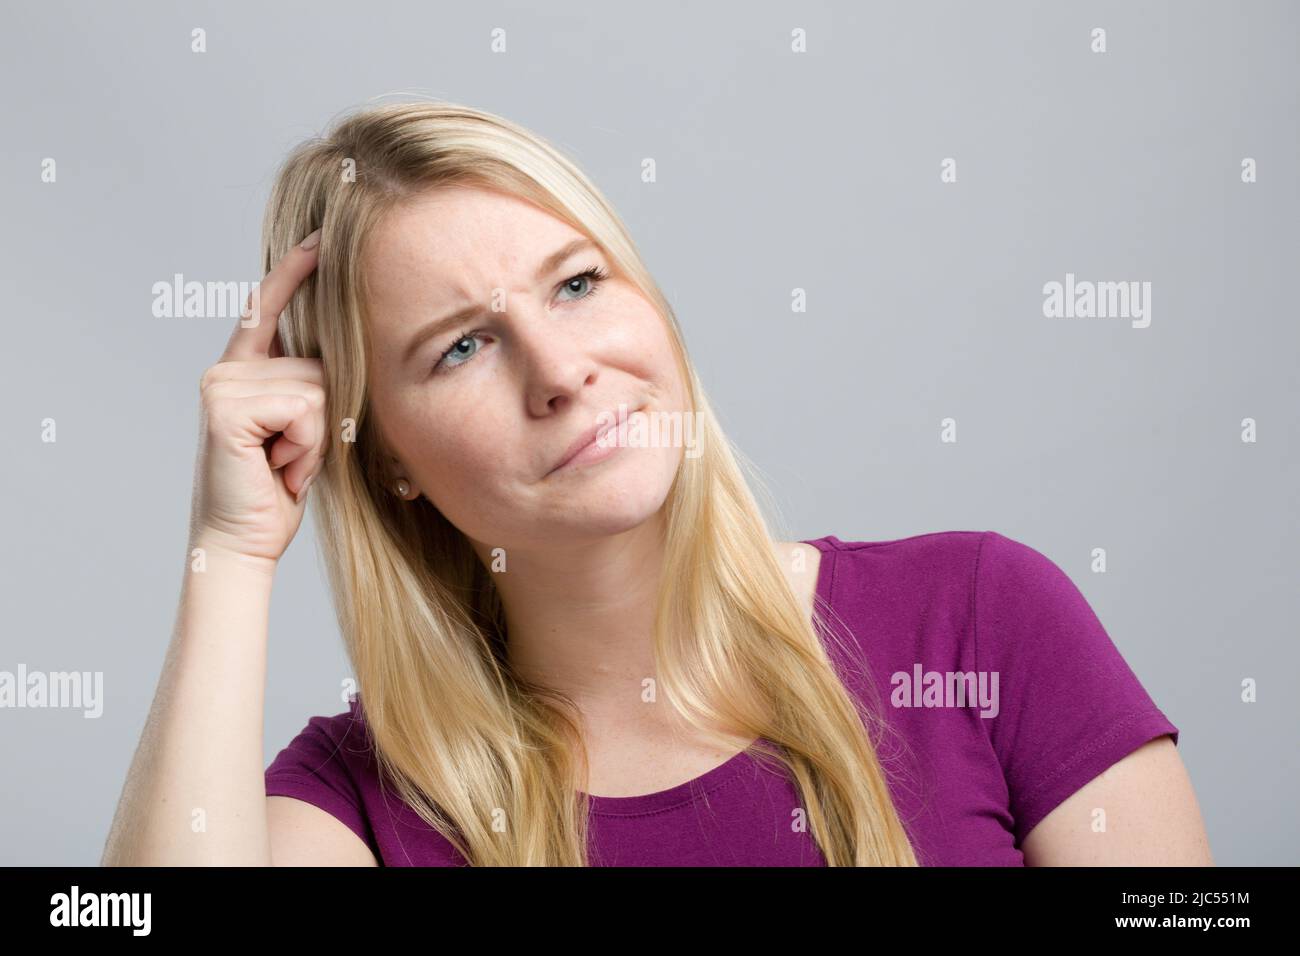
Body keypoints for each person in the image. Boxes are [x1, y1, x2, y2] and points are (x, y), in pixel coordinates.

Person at [102, 101, 1212, 866]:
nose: (560, 369)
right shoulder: (362, 795)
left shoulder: (976, 619)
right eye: (460, 347)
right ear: (382, 453)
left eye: (578, 283)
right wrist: (231, 556)